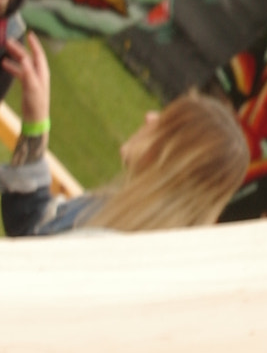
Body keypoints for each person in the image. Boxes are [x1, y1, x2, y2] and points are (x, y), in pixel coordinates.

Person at [1, 26, 248, 236]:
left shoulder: (101, 247)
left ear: (172, 158)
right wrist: (37, 121)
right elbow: (33, 223)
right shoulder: (111, 213)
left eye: (164, 123)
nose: (149, 117)